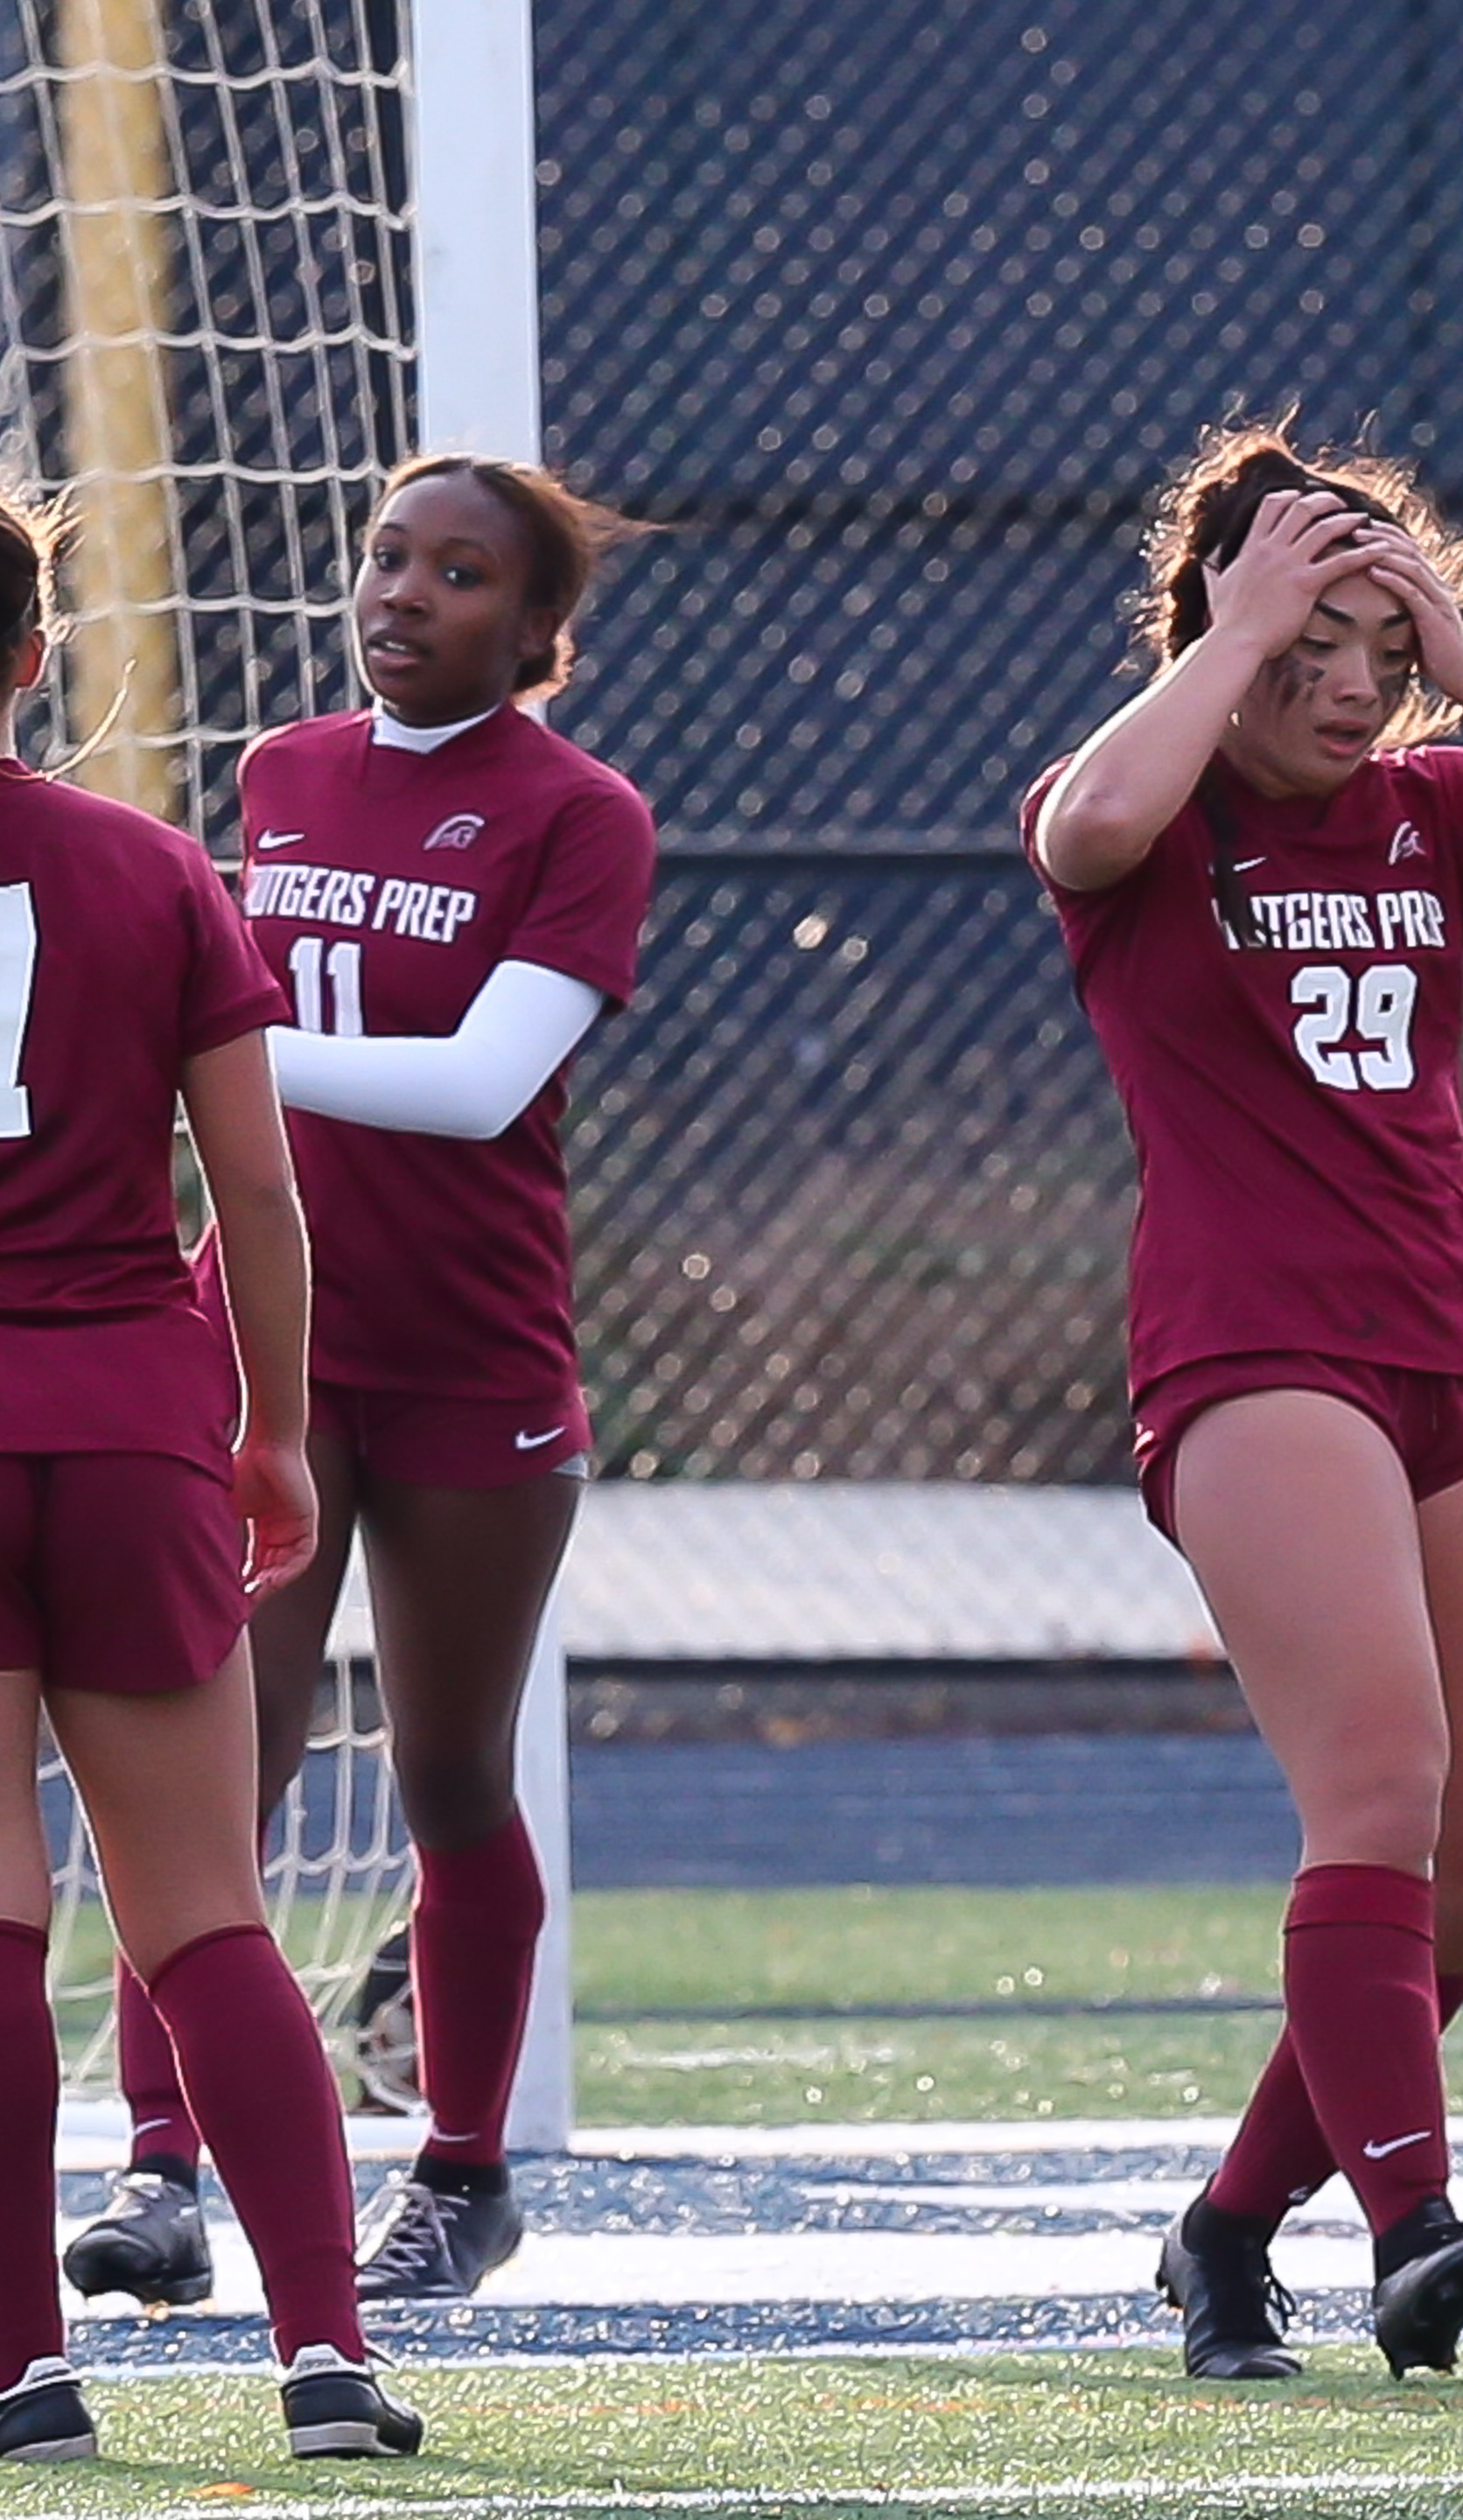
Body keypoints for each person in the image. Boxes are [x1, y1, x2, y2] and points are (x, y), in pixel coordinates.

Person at [1024, 419, 1463, 2380]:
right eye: (1304, 646)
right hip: (1254, 1353)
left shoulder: (1432, 807)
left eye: (1379, 654)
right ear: (1225, 637)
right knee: (1381, 1794)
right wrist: (1227, 634)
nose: (1349, 690)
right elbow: (1084, 827)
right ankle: (1414, 2223)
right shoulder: (1142, 811)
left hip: (1450, 1347)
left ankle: (1229, 2232)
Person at [64, 455, 657, 2309]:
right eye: (389, 556)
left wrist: (219, 1046)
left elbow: (483, 1085)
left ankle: (462, 2172)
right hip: (264, 1348)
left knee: (456, 1774)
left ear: (538, 630)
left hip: (478, 1361)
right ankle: (163, 2166)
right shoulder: (286, 775)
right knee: (208, 1770)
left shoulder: (584, 812)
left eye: (462, 573)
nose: (405, 592)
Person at [0, 489, 418, 2457]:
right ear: (31, 656)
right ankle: (323, 2354)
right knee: (206, 1911)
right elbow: (259, 1184)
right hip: (130, 1421)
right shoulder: (156, 867)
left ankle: (25, 2373)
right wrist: (269, 1428)